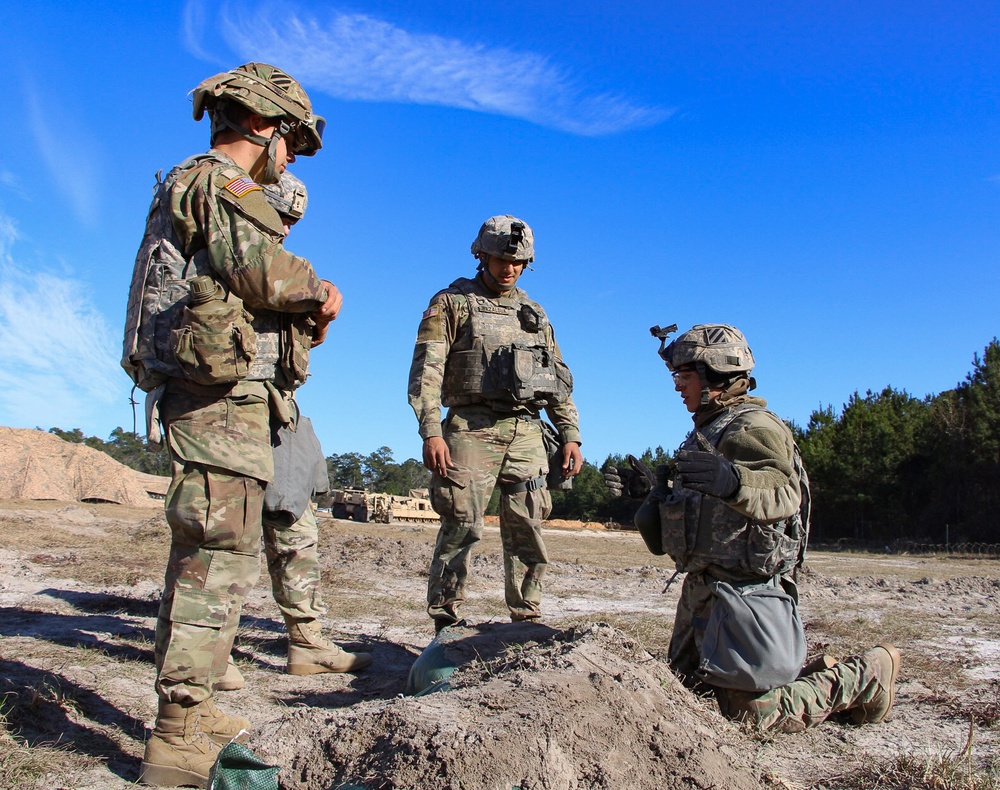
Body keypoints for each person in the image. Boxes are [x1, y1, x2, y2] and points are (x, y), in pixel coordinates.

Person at [121, 62, 351, 788]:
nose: (290, 157)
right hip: (216, 401)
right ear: (259, 123)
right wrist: (321, 291)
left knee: (212, 552)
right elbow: (257, 271)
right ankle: (180, 732)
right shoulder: (220, 181)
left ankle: (194, 706)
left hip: (227, 396)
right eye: (290, 140)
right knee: (215, 557)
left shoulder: (197, 183)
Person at [604, 324, 901, 733]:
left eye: (684, 377)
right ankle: (799, 676)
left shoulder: (753, 427)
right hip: (704, 591)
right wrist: (652, 493)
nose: (677, 388)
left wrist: (735, 482)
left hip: (745, 592)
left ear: (716, 377)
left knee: (749, 716)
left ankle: (867, 675)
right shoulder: (708, 431)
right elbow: (702, 512)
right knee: (682, 696)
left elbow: (782, 492)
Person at [212, 172, 372, 694]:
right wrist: (320, 292)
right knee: (225, 536)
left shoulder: (278, 263)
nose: (285, 227)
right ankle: (211, 653)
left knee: (296, 529)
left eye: (292, 220)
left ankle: (307, 642)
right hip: (225, 408)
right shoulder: (229, 246)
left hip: (278, 408)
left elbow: (299, 344)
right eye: (280, 215)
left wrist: (319, 318)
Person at [408, 214, 583, 630]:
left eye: (518, 263)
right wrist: (432, 430)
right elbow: (426, 373)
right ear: (481, 255)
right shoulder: (451, 303)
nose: (509, 269)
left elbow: (555, 376)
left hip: (526, 430)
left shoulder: (533, 312)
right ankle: (446, 621)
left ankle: (526, 618)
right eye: (501, 260)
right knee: (462, 524)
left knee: (528, 525)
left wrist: (571, 434)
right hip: (470, 428)